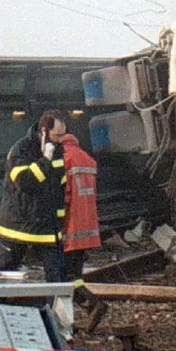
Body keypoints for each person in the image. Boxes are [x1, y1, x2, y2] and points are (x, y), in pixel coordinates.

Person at [0, 109, 68, 282]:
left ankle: (54, 300)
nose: (61, 140)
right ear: (44, 132)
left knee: (57, 276)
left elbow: (60, 189)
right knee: (3, 275)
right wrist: (45, 161)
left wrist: (60, 223)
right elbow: (26, 183)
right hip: (17, 226)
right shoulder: (20, 150)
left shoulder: (58, 150)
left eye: (63, 135)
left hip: (47, 228)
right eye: (57, 135)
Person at [59, 130, 108, 333]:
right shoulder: (87, 159)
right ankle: (87, 307)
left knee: (62, 275)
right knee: (75, 273)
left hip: (70, 225)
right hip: (86, 226)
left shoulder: (64, 159)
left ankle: (88, 305)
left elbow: (65, 195)